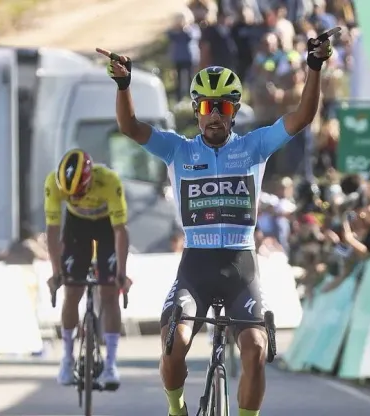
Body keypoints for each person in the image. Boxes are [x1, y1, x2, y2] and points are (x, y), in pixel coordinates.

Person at [96, 30, 333, 416]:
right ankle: (177, 409)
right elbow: (130, 127)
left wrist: (314, 66)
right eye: (206, 108)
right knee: (173, 345)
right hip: (196, 268)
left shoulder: (253, 146)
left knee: (256, 350)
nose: (214, 117)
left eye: (222, 108)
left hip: (241, 268)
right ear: (196, 110)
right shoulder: (178, 149)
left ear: (234, 112)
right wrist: (123, 85)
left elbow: (303, 116)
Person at [44, 149, 130, 390]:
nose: (74, 198)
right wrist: (56, 270)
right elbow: (52, 230)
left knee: (109, 293)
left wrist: (121, 272)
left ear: (90, 179)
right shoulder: (53, 182)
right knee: (71, 292)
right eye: (68, 195)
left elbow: (120, 230)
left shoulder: (109, 181)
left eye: (79, 193)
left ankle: (111, 364)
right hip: (76, 229)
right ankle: (67, 357)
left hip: (107, 227)